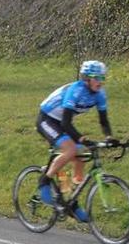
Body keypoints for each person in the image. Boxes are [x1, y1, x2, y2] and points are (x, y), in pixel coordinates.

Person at [36, 60, 119, 222]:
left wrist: (109, 137)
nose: (100, 82)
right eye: (97, 78)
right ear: (86, 78)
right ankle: (44, 180)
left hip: (61, 123)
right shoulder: (76, 91)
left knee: (82, 155)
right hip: (47, 120)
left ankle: (72, 200)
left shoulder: (100, 94)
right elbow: (66, 123)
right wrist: (81, 138)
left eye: (103, 78)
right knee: (72, 149)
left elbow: (103, 120)